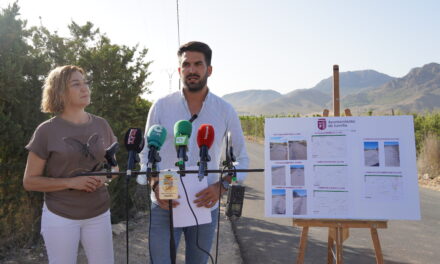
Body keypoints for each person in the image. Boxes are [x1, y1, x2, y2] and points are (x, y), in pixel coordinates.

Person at [140, 41, 249, 264]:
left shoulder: (225, 110)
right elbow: (145, 155)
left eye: (198, 64)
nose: (192, 69)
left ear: (209, 70)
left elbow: (242, 159)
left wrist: (223, 185)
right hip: (165, 203)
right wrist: (155, 185)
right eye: (186, 64)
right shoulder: (161, 106)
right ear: (180, 70)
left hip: (205, 204)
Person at [23, 65, 117, 264]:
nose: (85, 89)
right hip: (61, 216)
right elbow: (30, 181)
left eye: (85, 83)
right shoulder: (46, 131)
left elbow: (114, 168)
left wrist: (104, 178)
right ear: (59, 92)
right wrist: (72, 183)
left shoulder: (101, 125)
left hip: (99, 213)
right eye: (76, 84)